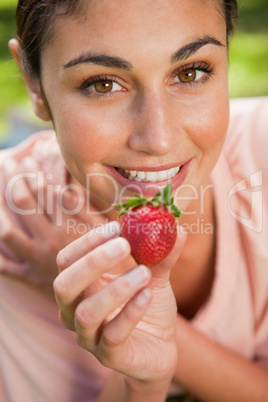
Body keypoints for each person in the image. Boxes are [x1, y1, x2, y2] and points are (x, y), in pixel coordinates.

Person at [0, 0, 267, 401]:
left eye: (190, 72)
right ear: (33, 82)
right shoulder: (11, 233)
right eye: (103, 84)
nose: (157, 139)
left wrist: (176, 343)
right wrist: (139, 384)